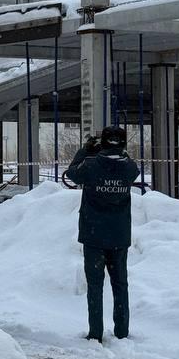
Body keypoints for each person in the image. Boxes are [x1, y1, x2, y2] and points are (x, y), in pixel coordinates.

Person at [65, 125, 140, 342]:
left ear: (102, 143)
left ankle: (95, 332)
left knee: (95, 286)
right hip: (119, 234)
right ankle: (122, 331)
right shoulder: (129, 167)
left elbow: (71, 173)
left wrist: (86, 150)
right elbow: (128, 166)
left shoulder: (91, 165)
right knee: (120, 284)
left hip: (93, 234)